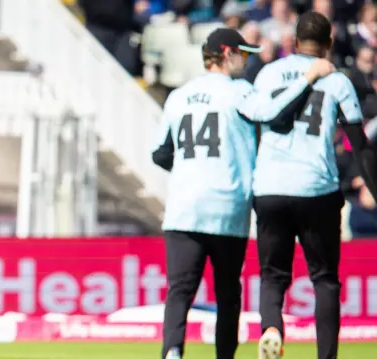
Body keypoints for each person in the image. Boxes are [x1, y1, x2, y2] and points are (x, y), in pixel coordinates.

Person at [151, 28, 336, 359]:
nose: (246, 60)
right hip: (227, 206)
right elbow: (273, 112)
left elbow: (161, 153)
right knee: (227, 293)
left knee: (179, 290)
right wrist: (308, 77)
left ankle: (172, 352)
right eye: (243, 54)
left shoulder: (178, 95)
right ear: (226, 53)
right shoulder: (238, 91)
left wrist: (191, 172)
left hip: (184, 206)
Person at [251, 11, 377, 359]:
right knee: (324, 279)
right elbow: (359, 144)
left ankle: (272, 329)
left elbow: (260, 120)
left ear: (293, 38)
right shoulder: (337, 81)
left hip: (271, 187)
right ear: (329, 43)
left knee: (273, 275)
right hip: (316, 188)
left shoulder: (268, 73)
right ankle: (326, 357)